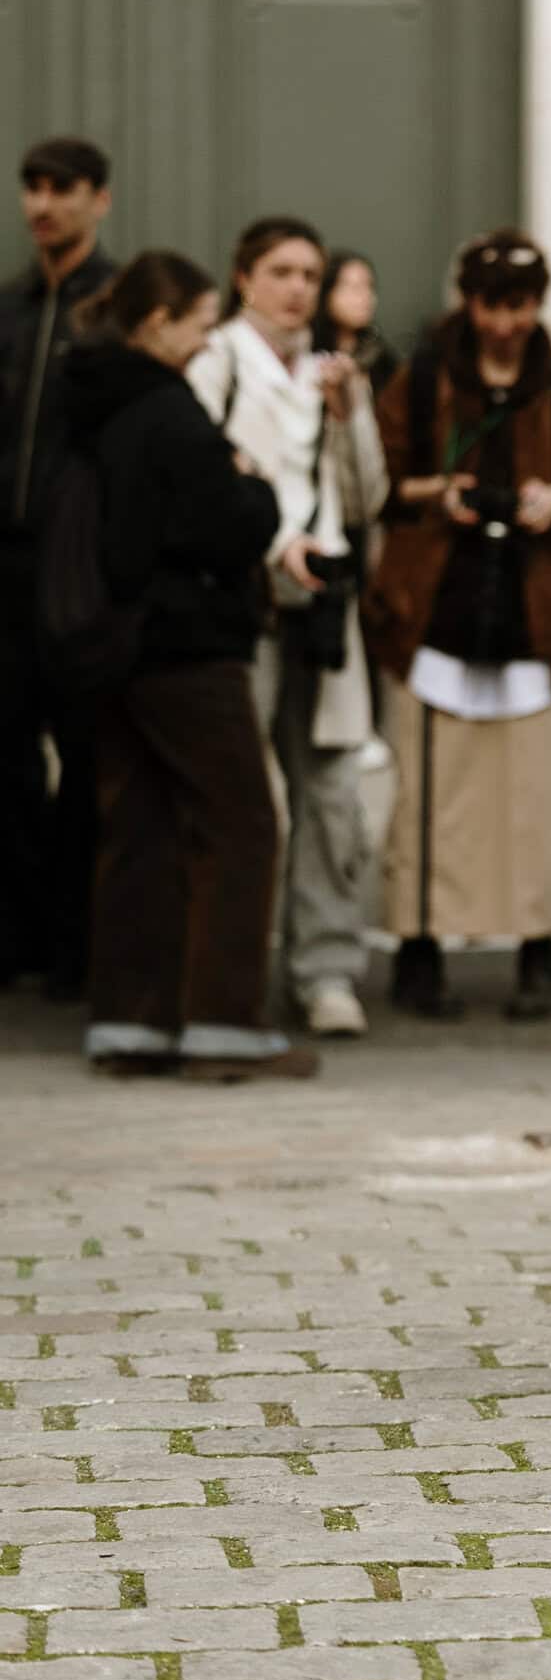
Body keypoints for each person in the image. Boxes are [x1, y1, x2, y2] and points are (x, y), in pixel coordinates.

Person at [61, 252, 317, 1082]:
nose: (209, 344)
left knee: (139, 828)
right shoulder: (168, 412)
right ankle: (223, 1023)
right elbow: (233, 525)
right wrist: (256, 486)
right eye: (202, 326)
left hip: (111, 644)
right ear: (158, 324)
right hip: (186, 646)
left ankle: (131, 1024)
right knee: (241, 824)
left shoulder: (92, 404)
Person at [365, 230, 551, 1023]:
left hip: (537, 615)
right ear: (467, 301)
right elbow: (382, 481)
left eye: (523, 305)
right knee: (428, 796)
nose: (507, 322)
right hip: (436, 607)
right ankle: (417, 948)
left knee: (534, 797)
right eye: (494, 304)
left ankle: (539, 950)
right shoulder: (424, 376)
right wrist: (442, 492)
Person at [189, 218, 387, 1040]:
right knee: (244, 795)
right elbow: (200, 484)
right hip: (246, 605)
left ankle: (326, 971)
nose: (299, 287)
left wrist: (353, 413)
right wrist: (274, 546)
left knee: (333, 793)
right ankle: (230, 971)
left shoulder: (331, 373)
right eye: (280, 271)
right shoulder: (215, 361)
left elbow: (368, 496)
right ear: (244, 278)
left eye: (310, 272)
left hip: (326, 613)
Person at [0, 136, 115, 996]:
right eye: (33, 188)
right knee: (7, 760)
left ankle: (79, 945)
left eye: (61, 189)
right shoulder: (8, 305)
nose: (43, 204)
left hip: (76, 578)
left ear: (98, 199)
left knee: (85, 761)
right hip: (6, 572)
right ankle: (22, 936)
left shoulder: (110, 307)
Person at [314, 249, 400, 396]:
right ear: (327, 293)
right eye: (354, 288)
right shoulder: (309, 351)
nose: (366, 296)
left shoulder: (378, 354)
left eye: (370, 287)